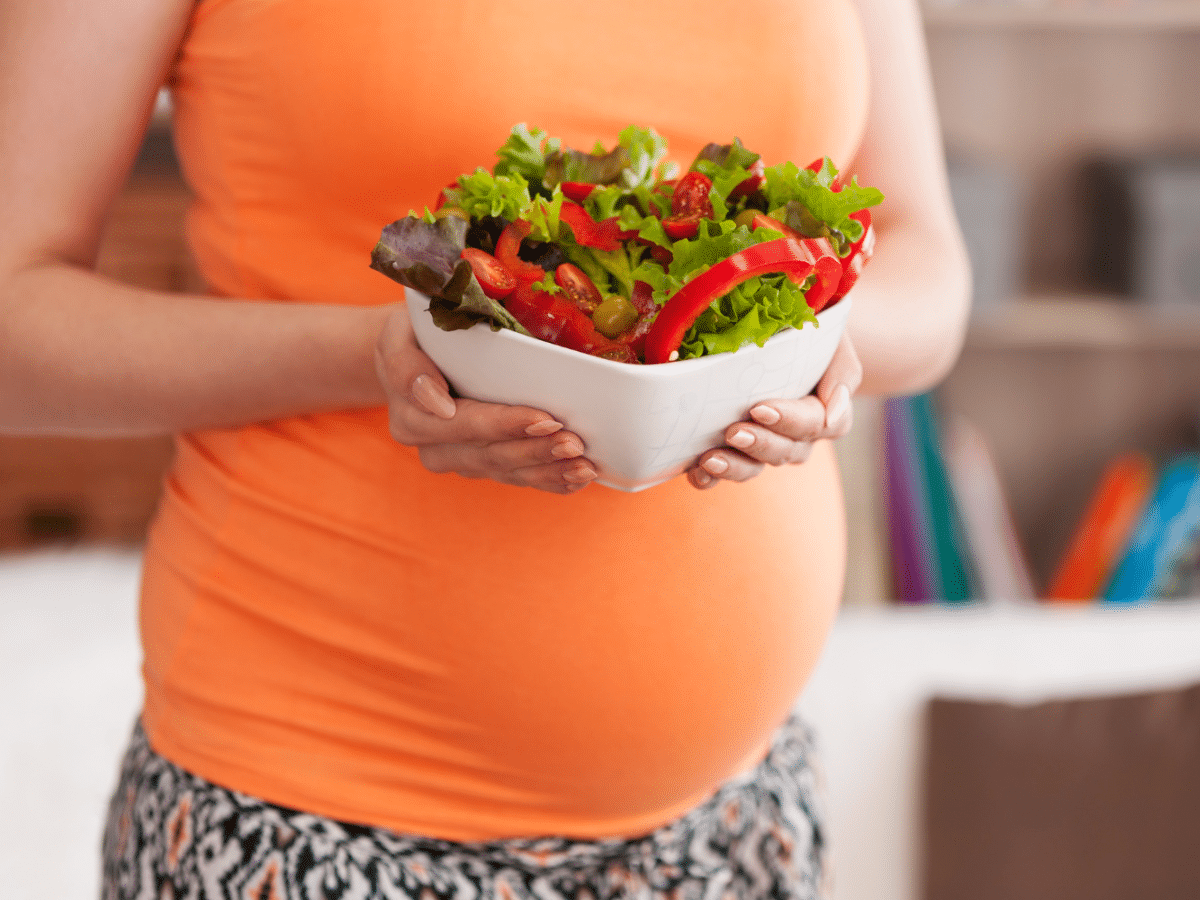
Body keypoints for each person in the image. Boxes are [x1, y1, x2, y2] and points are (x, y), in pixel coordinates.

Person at [0, 0, 970, 898]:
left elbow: (927, 270)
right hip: (305, 829)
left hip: (729, 827)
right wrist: (383, 354)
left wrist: (803, 348)